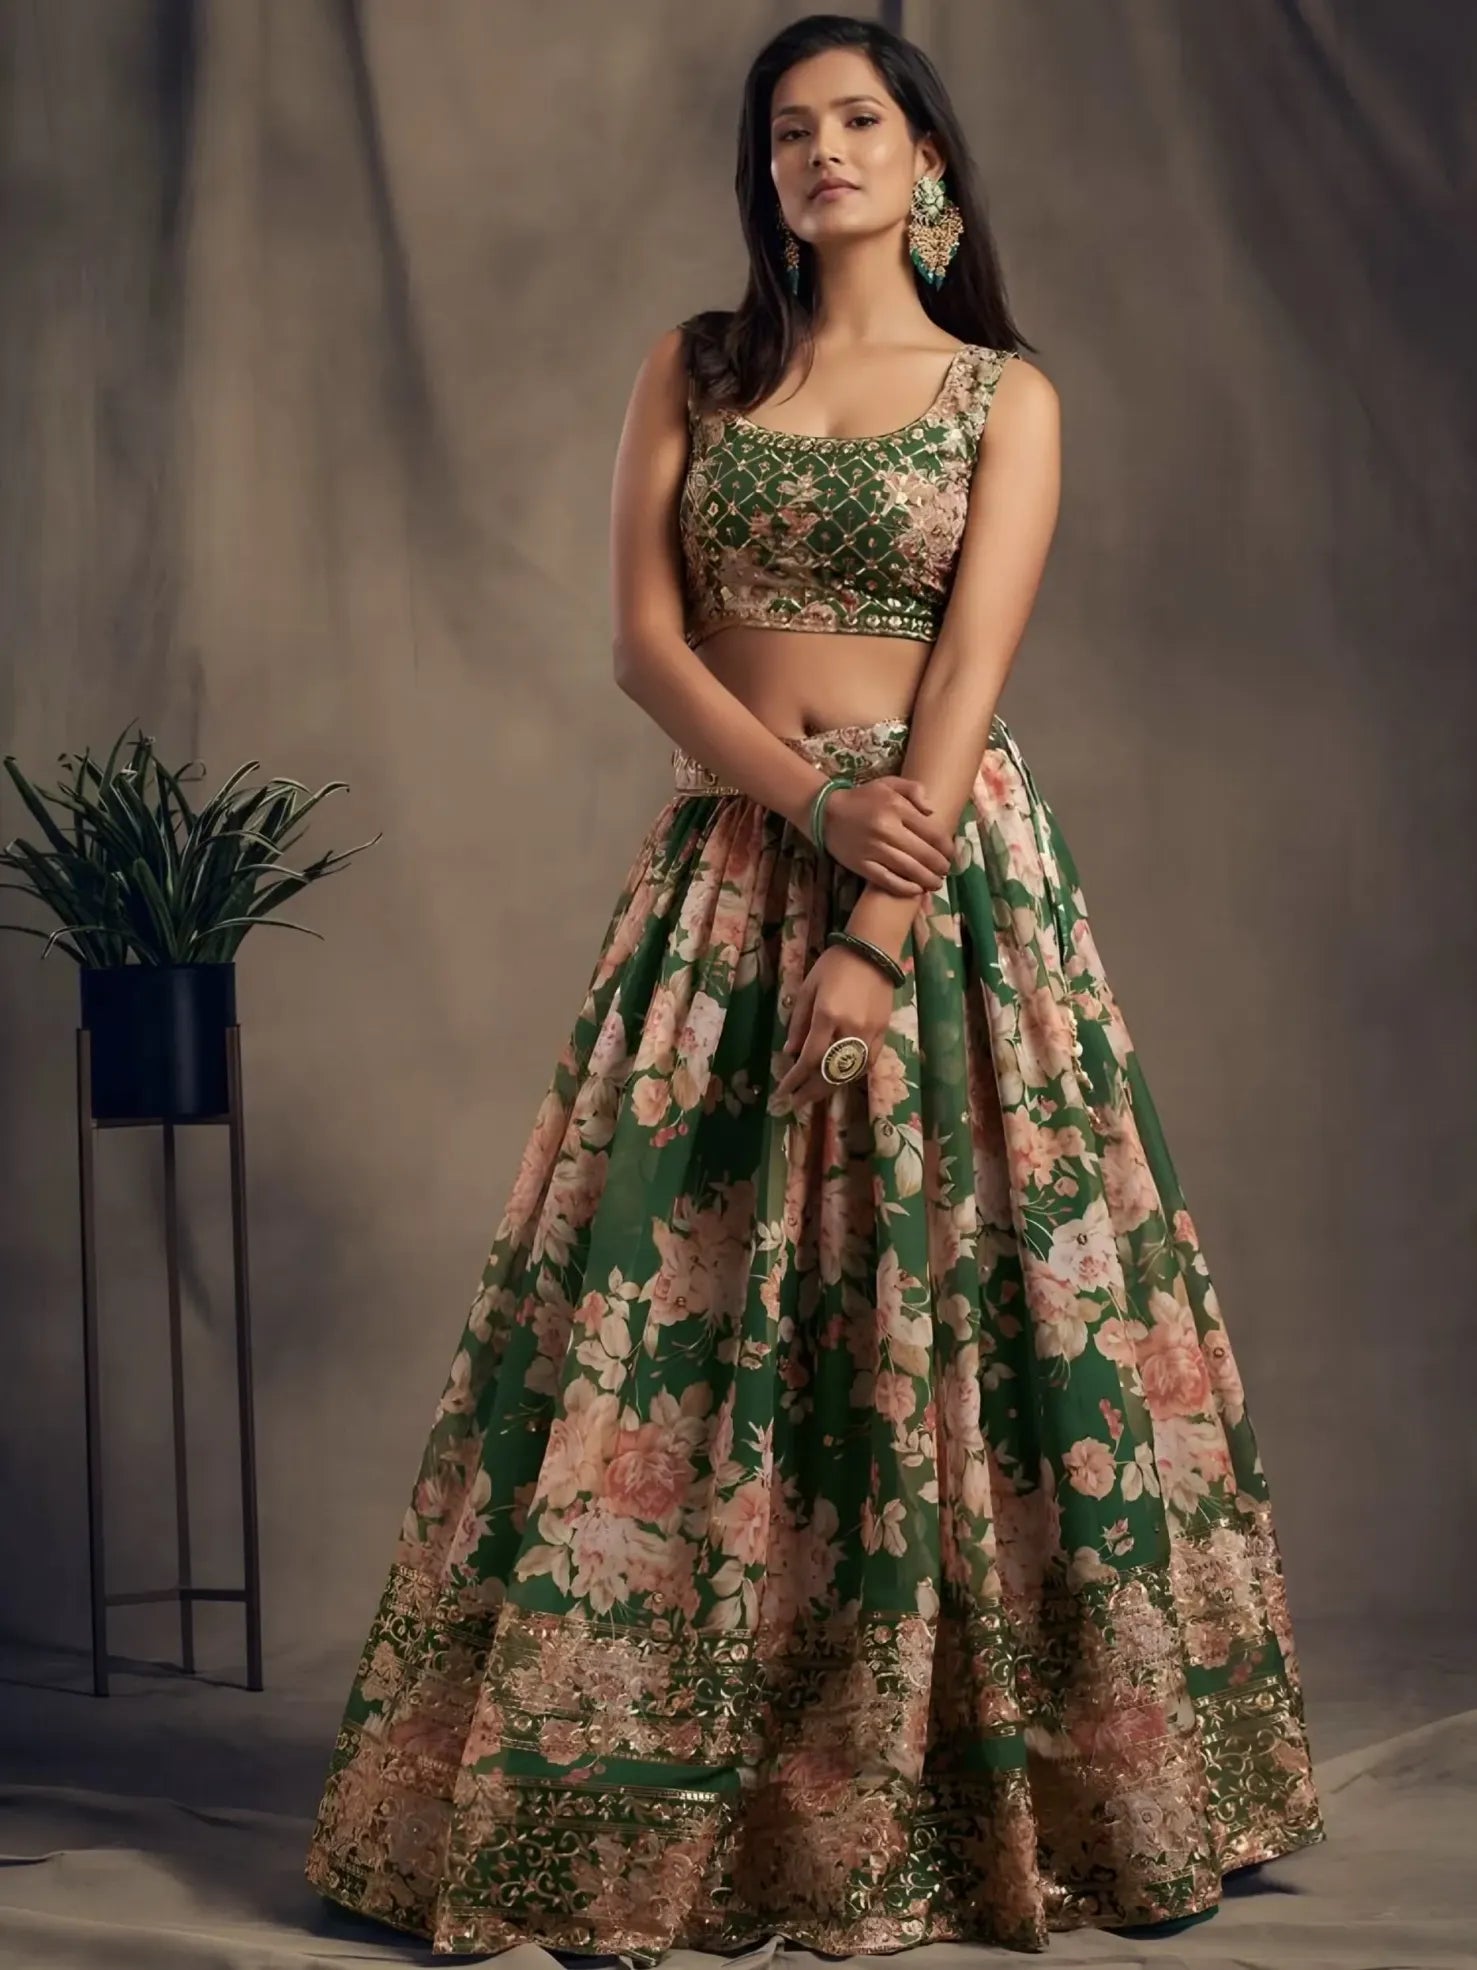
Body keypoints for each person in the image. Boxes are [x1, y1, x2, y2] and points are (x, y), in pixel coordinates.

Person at [304, 12, 1325, 1961]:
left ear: (925, 156)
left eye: (858, 118)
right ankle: (693, 1786)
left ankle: (999, 1772)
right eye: (789, 131)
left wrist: (875, 914)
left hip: (939, 891)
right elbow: (641, 642)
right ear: (762, 175)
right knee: (680, 1317)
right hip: (729, 876)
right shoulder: (696, 367)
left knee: (978, 1318)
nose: (821, 150)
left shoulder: (1003, 395)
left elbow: (962, 685)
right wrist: (802, 816)